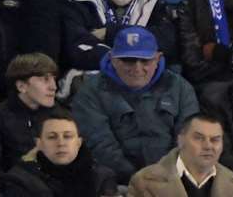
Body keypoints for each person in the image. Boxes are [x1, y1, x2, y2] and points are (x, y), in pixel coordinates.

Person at [69, 27, 201, 183]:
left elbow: (187, 139)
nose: (137, 68)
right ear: (113, 59)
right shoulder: (90, 91)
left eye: (145, 60)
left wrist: (168, 177)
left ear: (158, 58)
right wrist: (139, 180)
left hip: (173, 179)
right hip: (117, 183)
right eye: (128, 60)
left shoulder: (180, 87)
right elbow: (100, 146)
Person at [0, 53, 60, 175]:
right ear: (21, 86)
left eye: (54, 79)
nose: (54, 87)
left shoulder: (60, 115)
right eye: (45, 79)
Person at [124, 112, 233, 197]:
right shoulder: (144, 182)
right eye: (199, 138)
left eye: (215, 140)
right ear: (181, 140)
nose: (208, 146)